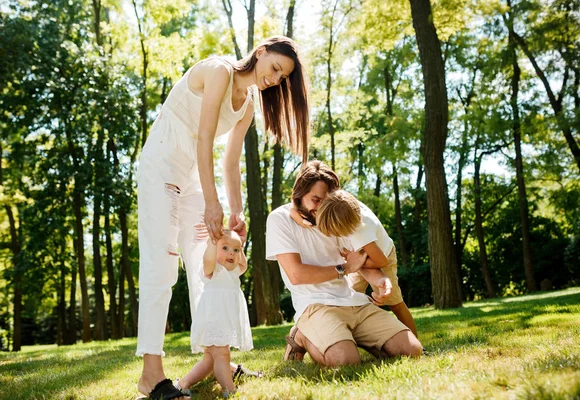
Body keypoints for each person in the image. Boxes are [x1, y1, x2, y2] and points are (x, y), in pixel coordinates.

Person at [136, 36, 309, 400]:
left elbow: (231, 162)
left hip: (194, 178)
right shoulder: (218, 71)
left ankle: (218, 359)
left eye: (282, 78)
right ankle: (151, 375)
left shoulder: (247, 106)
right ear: (260, 52)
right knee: (161, 266)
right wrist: (211, 202)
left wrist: (235, 208)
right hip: (163, 166)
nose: (274, 79)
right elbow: (203, 136)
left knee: (208, 266)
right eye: (275, 68)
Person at [266, 161, 423, 367]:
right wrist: (344, 269)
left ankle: (345, 336)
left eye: (327, 201)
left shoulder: (335, 215)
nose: (321, 208)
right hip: (315, 306)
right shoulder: (279, 219)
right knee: (345, 361)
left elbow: (360, 262)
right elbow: (297, 275)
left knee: (412, 350)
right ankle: (301, 335)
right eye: (316, 200)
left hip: (353, 301)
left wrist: (383, 281)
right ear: (299, 193)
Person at [316, 189, 419, 337]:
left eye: (337, 232)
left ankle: (416, 341)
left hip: (383, 258)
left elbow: (380, 260)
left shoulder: (360, 232)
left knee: (395, 302)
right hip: (361, 257)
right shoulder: (343, 204)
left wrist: (357, 263)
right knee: (350, 297)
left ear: (347, 227)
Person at [174, 230, 253, 398]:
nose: (231, 253)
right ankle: (228, 388)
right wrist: (212, 243)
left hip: (223, 320)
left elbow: (244, 265)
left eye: (236, 250)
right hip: (214, 319)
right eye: (225, 248)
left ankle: (184, 383)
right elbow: (208, 260)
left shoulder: (233, 271)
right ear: (214, 250)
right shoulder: (213, 270)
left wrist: (241, 247)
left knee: (210, 360)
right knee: (222, 354)